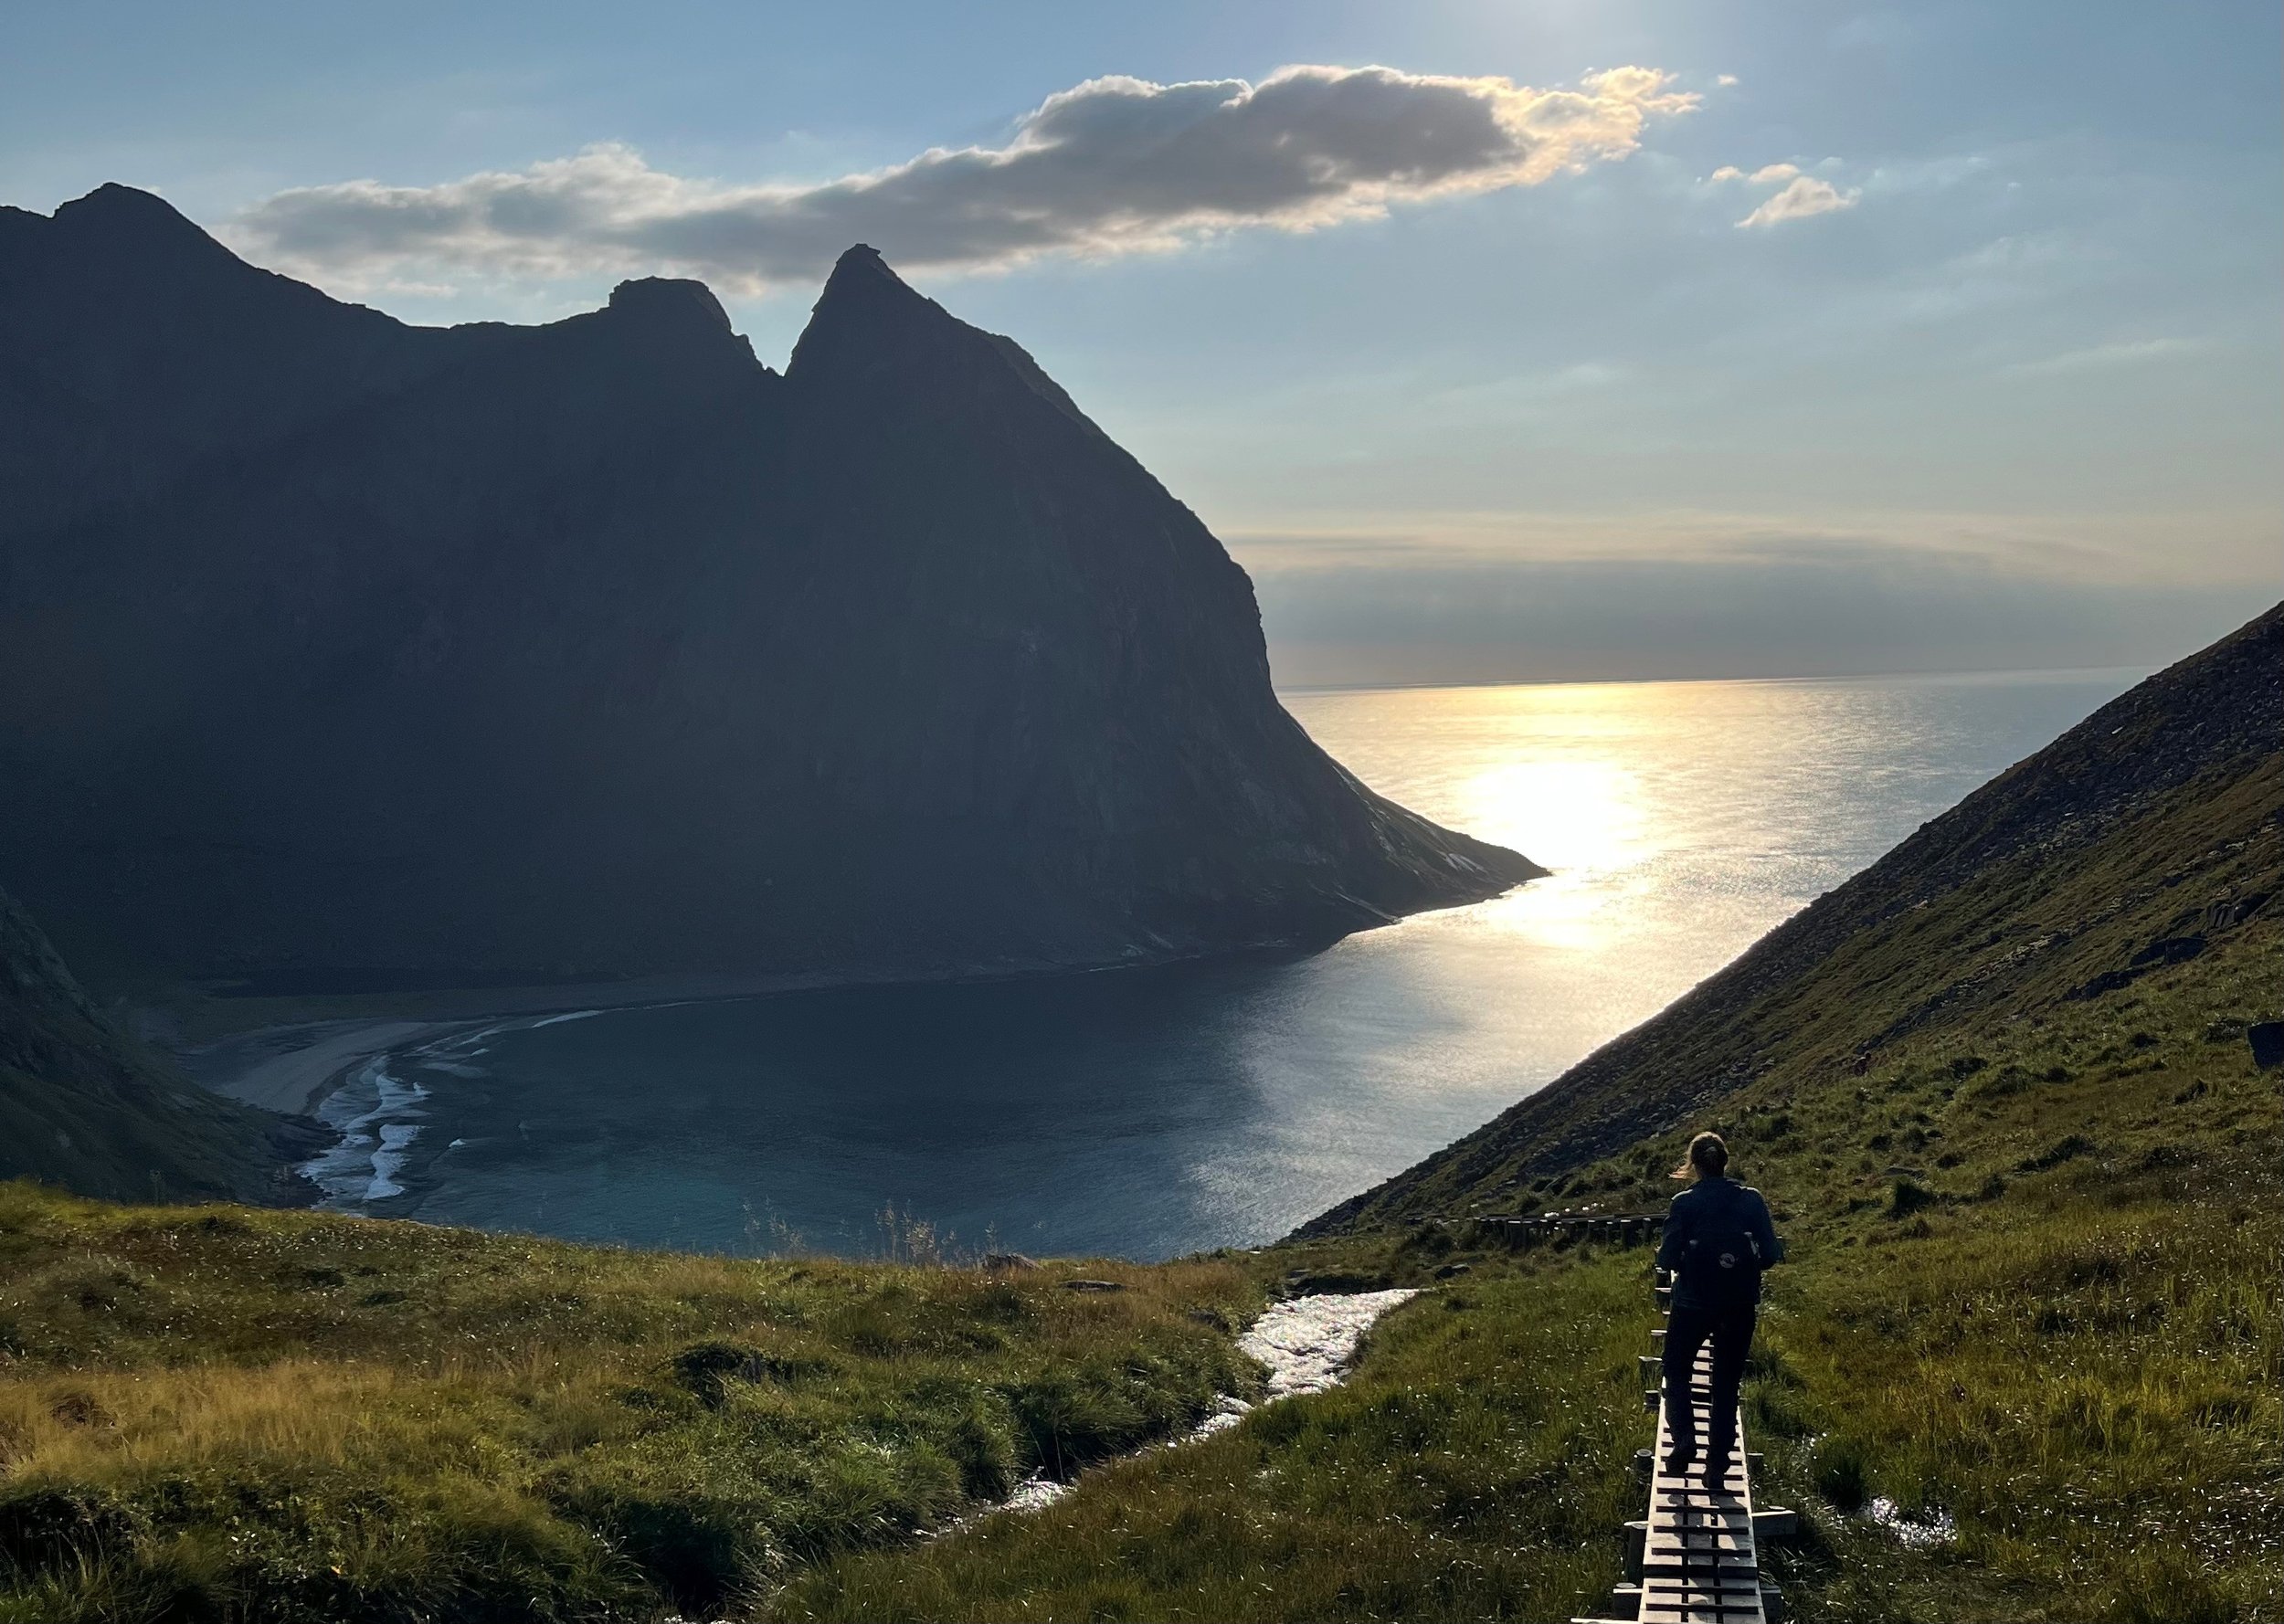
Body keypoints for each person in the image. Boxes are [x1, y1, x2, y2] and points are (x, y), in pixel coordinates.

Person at [1656, 1131, 1782, 1487]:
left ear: (1694, 1165)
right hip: (1738, 1305)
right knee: (1726, 1384)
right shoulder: (1751, 1200)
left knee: (1677, 1371)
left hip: (1692, 1303)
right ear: (1725, 1162)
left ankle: (1685, 1438)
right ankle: (1717, 1468)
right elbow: (1771, 1254)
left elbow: (1667, 1259)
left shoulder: (1684, 1203)